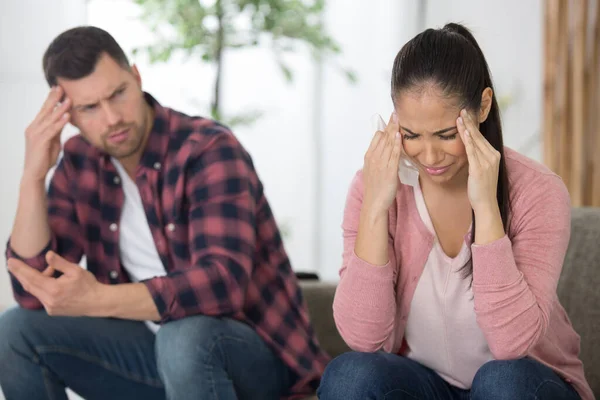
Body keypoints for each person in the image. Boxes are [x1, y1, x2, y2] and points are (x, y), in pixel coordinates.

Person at [0, 26, 329, 400]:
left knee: (184, 337)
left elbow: (222, 284)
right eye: (90, 108)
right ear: (68, 116)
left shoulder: (207, 149)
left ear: (137, 78)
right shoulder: (80, 161)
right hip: (154, 354)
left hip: (251, 356)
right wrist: (33, 174)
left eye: (118, 93)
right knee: (14, 331)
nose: (112, 119)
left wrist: (95, 299)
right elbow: (34, 290)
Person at [317, 23, 593, 400]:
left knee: (501, 383)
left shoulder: (538, 191)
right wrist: (375, 207)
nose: (429, 157)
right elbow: (363, 338)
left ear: (482, 106)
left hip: (523, 385)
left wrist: (485, 206)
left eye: (447, 135)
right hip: (427, 385)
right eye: (411, 135)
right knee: (349, 376)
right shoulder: (375, 187)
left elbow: (512, 345)